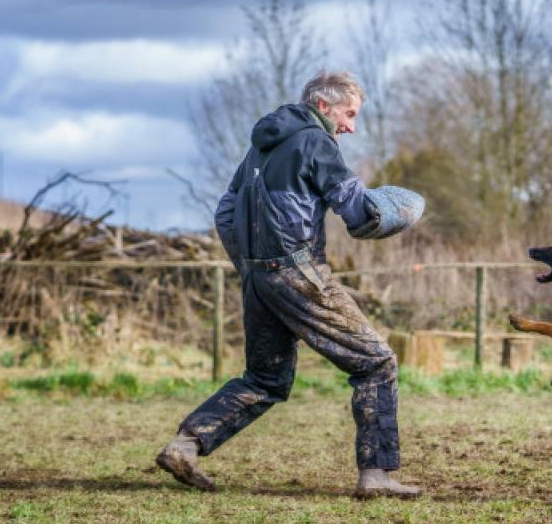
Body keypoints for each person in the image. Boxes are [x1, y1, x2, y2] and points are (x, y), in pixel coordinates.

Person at [156, 72, 421, 498]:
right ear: (323, 106)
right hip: (300, 273)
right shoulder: (317, 142)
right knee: (377, 363)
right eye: (349, 114)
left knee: (264, 380)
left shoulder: (260, 147)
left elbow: (226, 213)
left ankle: (184, 446)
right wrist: (398, 214)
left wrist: (250, 269)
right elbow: (357, 212)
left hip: (258, 277)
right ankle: (377, 475)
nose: (351, 125)